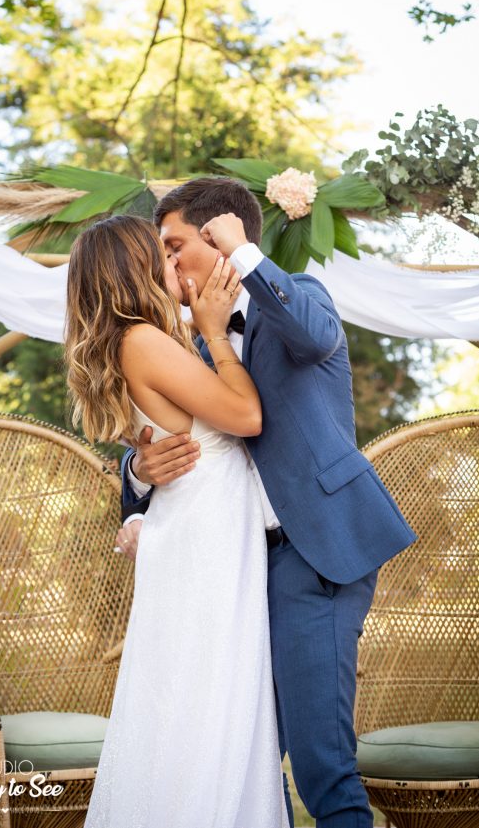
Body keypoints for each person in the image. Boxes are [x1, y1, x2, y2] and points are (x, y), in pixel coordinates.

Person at [119, 177, 419, 828]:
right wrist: (138, 475)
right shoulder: (195, 347)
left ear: (217, 235)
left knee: (320, 766)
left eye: (174, 247)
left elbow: (311, 338)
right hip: (232, 571)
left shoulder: (300, 298)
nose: (165, 265)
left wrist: (245, 256)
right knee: (245, 758)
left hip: (313, 554)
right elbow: (169, 437)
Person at [64, 214, 291, 828]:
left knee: (196, 704)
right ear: (134, 270)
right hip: (203, 541)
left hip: (200, 531)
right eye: (159, 255)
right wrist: (217, 335)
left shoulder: (138, 341)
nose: (173, 264)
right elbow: (245, 414)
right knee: (203, 706)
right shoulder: (144, 341)